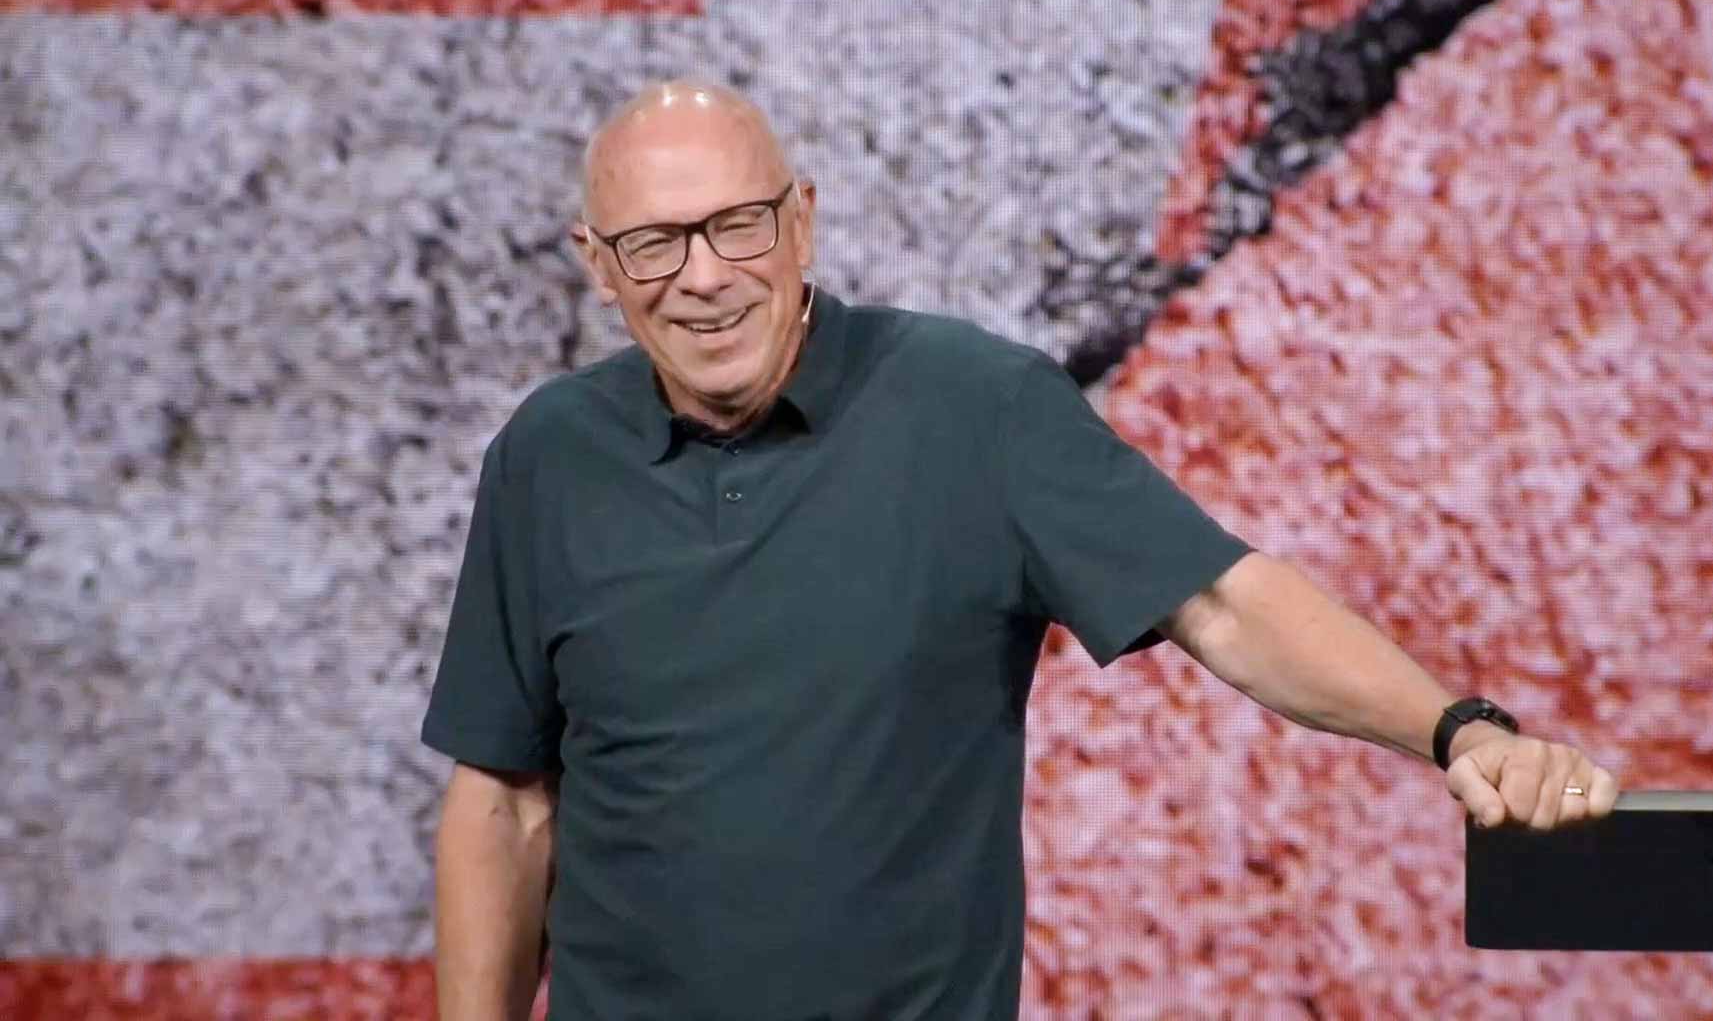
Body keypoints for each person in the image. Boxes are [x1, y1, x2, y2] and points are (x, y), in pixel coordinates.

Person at [422, 80, 1620, 1020]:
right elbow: (505, 805)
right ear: (597, 264)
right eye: (655, 244)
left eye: (737, 226)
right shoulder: (548, 457)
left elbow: (1224, 604)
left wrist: (1459, 731)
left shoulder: (974, 409)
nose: (704, 277)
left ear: (802, 220)